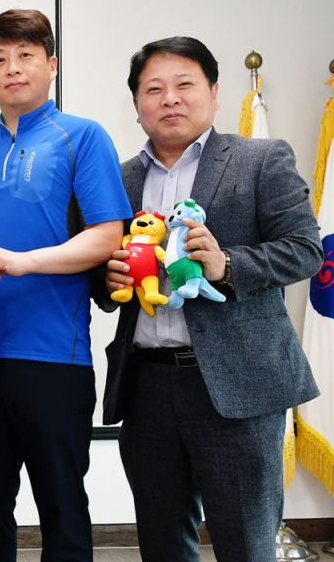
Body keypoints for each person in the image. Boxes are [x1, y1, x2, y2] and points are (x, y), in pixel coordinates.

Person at [99, 36, 321, 561]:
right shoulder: (120, 179)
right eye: (154, 89)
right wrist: (105, 281)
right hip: (147, 387)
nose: (170, 99)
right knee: (162, 544)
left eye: (185, 85)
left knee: (245, 544)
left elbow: (305, 250)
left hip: (238, 385)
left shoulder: (260, 159)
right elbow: (99, 274)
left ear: (214, 92)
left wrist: (227, 265)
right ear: (136, 104)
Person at [0, 9, 130, 561]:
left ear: (51, 65)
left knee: (63, 512)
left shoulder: (82, 136)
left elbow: (107, 236)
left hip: (54, 356)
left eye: (26, 55)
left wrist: (25, 262)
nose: (12, 68)